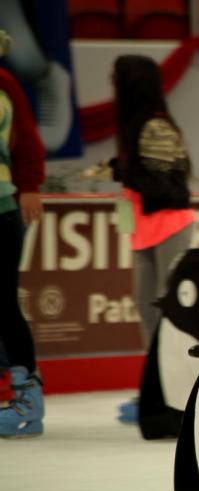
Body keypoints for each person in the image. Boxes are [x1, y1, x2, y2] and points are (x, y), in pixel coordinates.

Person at [110, 55, 195, 422]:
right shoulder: (136, 126)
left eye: (117, 80)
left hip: (169, 226)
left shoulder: (155, 127)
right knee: (146, 305)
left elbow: (172, 189)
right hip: (146, 228)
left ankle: (175, 391)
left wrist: (127, 175)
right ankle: (156, 385)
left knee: (168, 311)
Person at [0, 36, 46, 437]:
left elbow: (28, 140)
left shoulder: (5, 84)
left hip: (1, 208)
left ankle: (27, 397)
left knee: (2, 301)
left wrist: (29, 184)